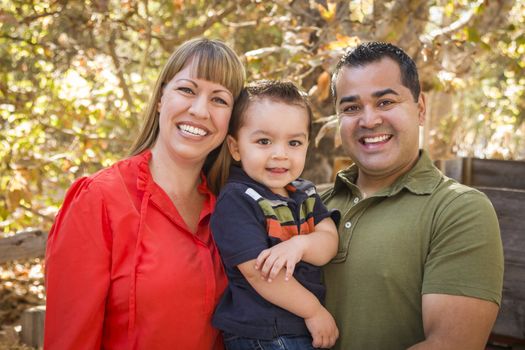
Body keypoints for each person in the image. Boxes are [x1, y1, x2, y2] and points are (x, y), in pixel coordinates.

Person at [44, 38, 245, 349]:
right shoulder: (98, 200)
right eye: (187, 90)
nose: (200, 110)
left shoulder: (233, 207)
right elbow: (70, 340)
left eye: (219, 100)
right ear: (161, 97)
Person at [321, 41, 504, 349]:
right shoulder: (313, 203)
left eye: (385, 102)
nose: (369, 120)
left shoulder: (458, 209)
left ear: (420, 109)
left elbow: (450, 345)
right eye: (351, 108)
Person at [207, 80, 340, 349]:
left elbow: (329, 241)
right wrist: (313, 311)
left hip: (297, 328)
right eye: (264, 141)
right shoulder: (238, 198)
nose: (280, 154)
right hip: (263, 333)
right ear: (235, 147)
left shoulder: (305, 193)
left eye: (294, 142)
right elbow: (259, 273)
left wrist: (300, 245)